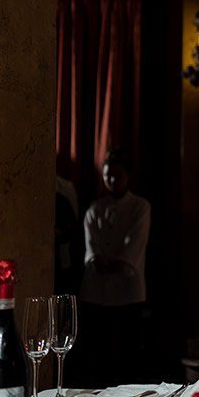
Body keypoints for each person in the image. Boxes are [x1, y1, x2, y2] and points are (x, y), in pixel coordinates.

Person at [79, 148, 151, 384]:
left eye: (117, 176)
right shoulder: (94, 208)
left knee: (127, 352)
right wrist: (96, 259)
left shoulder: (140, 206)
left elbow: (135, 241)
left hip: (127, 290)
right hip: (97, 289)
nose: (112, 180)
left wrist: (119, 262)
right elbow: (91, 241)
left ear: (128, 177)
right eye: (108, 175)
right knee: (100, 353)